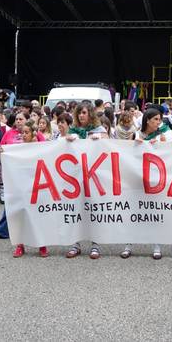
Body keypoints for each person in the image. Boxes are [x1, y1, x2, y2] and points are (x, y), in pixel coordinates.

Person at [121, 108, 172, 260]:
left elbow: (168, 157)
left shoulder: (161, 137)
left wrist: (160, 147)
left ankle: (156, 245)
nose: (158, 122)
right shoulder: (135, 135)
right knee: (133, 213)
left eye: (159, 119)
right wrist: (133, 145)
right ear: (147, 120)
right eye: (155, 119)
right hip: (136, 180)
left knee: (154, 213)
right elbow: (123, 155)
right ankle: (128, 244)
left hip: (154, 182)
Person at [65, 101, 109, 259]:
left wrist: (101, 138)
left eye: (84, 112)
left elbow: (109, 142)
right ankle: (75, 243)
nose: (81, 116)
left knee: (94, 208)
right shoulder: (74, 130)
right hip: (77, 176)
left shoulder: (99, 130)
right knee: (76, 209)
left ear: (90, 113)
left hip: (94, 176)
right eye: (79, 113)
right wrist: (68, 139)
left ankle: (95, 244)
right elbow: (63, 145)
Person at [12, 121, 49, 258]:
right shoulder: (18, 148)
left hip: (38, 185)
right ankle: (20, 244)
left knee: (39, 215)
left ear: (34, 134)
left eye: (26, 132)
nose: (23, 135)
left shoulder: (41, 148)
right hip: (23, 185)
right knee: (22, 214)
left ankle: (42, 245)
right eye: (23, 132)